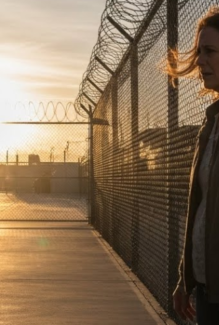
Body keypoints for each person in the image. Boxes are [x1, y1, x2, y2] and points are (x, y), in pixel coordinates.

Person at [167, 6, 219, 325]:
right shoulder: (210, 126)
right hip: (205, 288)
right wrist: (184, 279)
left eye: (210, 51)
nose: (200, 61)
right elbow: (200, 209)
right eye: (199, 52)